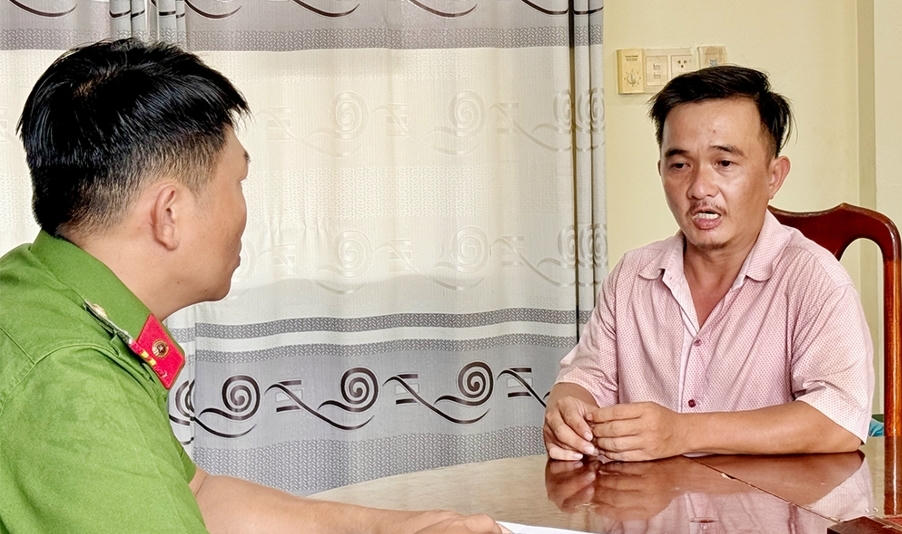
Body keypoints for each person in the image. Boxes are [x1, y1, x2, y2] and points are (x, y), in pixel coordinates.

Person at [0, 38, 507, 534]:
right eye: (237, 183)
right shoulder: (74, 384)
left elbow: (197, 496)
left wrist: (398, 527)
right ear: (169, 214)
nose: (245, 211)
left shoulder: (35, 288)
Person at [543, 65, 874, 463]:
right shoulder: (632, 275)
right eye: (680, 165)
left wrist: (683, 433)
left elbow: (839, 418)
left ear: (774, 176)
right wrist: (567, 406)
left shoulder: (814, 280)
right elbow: (586, 378)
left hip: (766, 501)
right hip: (646, 501)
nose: (700, 188)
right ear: (661, 171)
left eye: (725, 163)